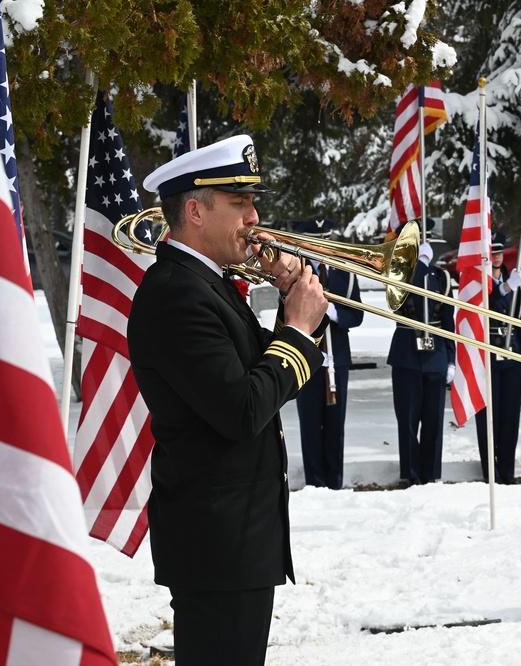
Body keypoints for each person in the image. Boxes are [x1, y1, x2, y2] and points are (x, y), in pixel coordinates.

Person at [127, 135, 328, 665]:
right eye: (240, 204)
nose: (254, 218)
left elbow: (275, 370)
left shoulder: (206, 286)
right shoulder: (177, 294)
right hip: (216, 545)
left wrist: (296, 309)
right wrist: (298, 332)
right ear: (194, 210)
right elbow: (243, 409)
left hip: (234, 542)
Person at [294, 217, 364, 489]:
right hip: (307, 357)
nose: (321, 247)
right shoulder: (297, 271)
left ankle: (335, 481)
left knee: (335, 424)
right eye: (316, 241)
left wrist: (334, 312)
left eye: (326, 240)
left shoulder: (344, 272)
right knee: (310, 423)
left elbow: (356, 315)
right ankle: (315, 482)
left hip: (338, 359)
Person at [386, 218, 455, 484]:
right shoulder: (398, 272)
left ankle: (431, 474)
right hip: (407, 354)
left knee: (434, 421)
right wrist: (420, 264)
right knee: (408, 420)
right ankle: (410, 474)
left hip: (436, 355)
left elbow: (448, 322)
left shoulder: (443, 277)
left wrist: (452, 359)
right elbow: (400, 302)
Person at [475, 232, 521, 484]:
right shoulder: (476, 282)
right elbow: (481, 306)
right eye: (492, 251)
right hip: (486, 352)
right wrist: (506, 288)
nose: (496, 256)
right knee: (489, 417)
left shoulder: (515, 282)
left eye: (499, 251)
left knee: (510, 416)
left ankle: (507, 470)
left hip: (512, 354)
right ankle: (491, 472)